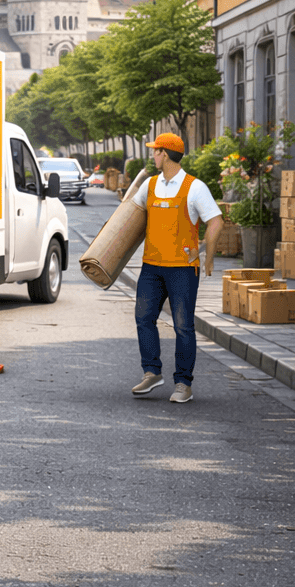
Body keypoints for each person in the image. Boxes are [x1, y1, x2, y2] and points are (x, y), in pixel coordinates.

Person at [131, 132, 223, 403]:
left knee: (183, 326)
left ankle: (184, 383)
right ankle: (152, 372)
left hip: (182, 270)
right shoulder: (149, 185)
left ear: (165, 154)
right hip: (152, 267)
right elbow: (131, 217)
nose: (153, 155)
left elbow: (216, 221)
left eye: (155, 151)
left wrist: (207, 254)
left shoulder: (194, 187)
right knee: (143, 318)